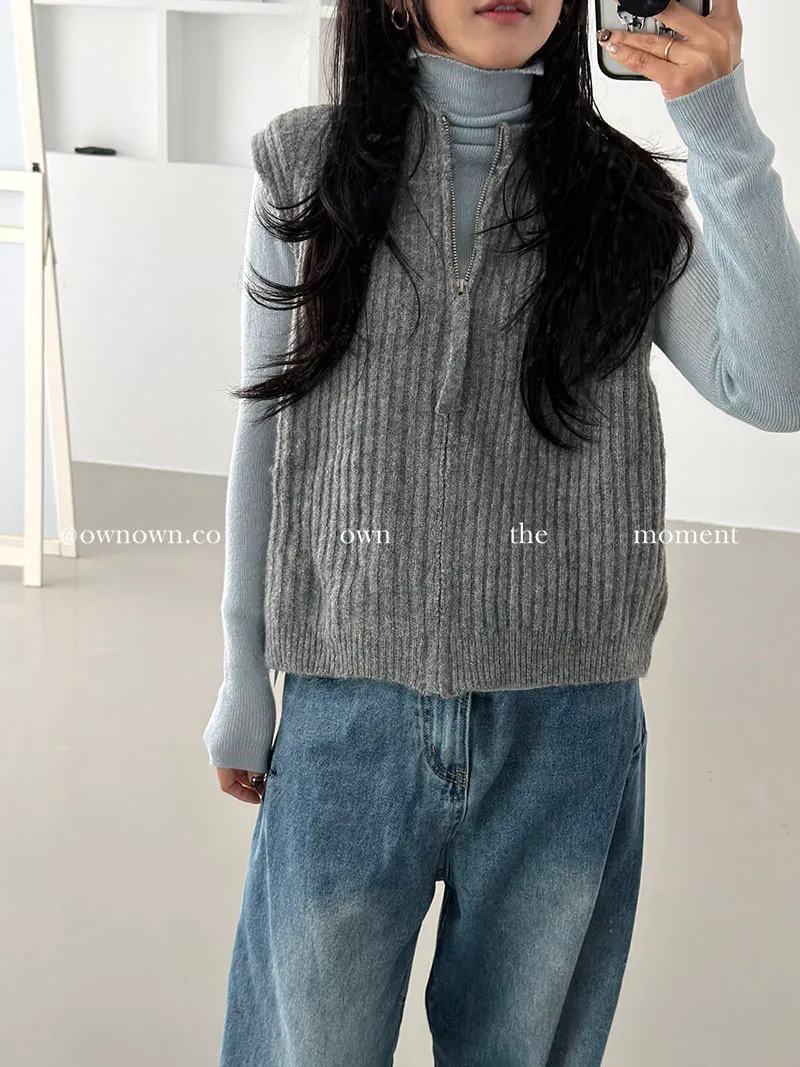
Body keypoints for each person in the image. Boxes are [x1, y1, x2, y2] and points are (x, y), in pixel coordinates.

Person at [203, 1, 800, 1063]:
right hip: (347, 713)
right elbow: (267, 425)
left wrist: (715, 121)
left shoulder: (625, 197)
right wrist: (243, 669)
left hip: (567, 728)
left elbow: (775, 386)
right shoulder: (306, 167)